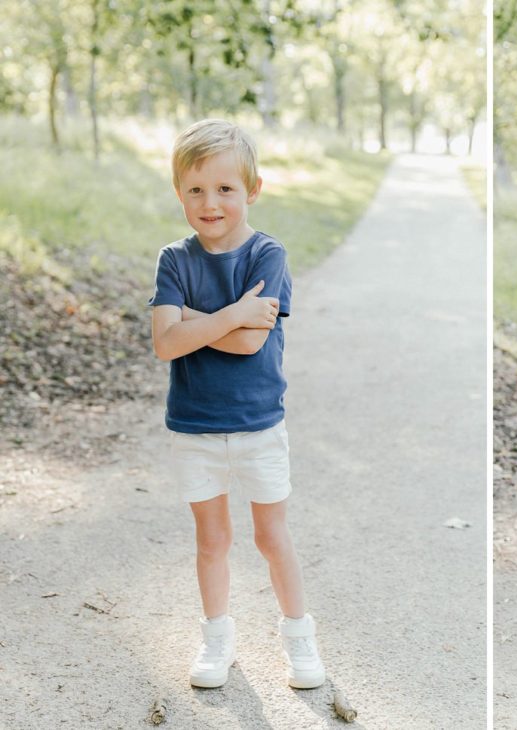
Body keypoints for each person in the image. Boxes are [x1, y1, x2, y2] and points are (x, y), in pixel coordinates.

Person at [149, 119, 325, 690]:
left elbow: (252, 342)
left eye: (225, 188)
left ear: (252, 189)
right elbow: (164, 343)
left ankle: (300, 640)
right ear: (179, 193)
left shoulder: (267, 255)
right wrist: (227, 315)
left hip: (257, 427)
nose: (210, 202)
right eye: (195, 190)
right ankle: (217, 642)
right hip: (195, 428)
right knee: (212, 540)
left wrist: (192, 322)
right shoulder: (174, 259)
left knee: (271, 536)